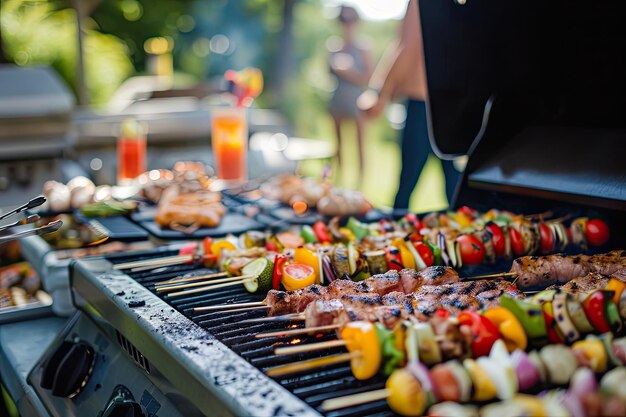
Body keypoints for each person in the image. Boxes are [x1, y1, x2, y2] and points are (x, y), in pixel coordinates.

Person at [357, 0, 460, 210]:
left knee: (405, 191)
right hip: (450, 104)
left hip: (423, 106)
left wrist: (380, 94)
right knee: (455, 189)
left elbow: (407, 45)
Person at [327, 6, 372, 189]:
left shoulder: (363, 48)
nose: (347, 24)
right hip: (338, 98)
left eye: (350, 19)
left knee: (360, 143)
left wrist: (349, 72)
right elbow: (328, 74)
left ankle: (360, 183)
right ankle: (338, 179)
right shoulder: (333, 47)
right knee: (338, 144)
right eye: (343, 20)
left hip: (357, 100)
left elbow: (369, 77)